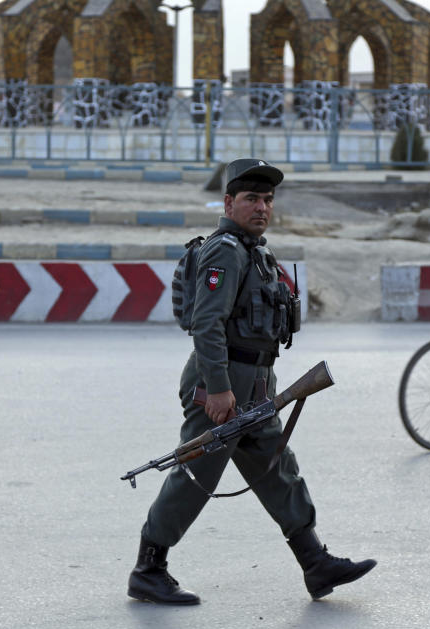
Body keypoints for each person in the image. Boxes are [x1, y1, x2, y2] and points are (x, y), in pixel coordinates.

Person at [127, 158, 376, 605]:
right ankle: (148, 569)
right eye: (251, 199)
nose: (262, 207)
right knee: (195, 472)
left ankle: (315, 564)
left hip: (256, 379)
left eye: (267, 199)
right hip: (221, 378)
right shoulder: (225, 249)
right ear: (229, 202)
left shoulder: (255, 249)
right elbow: (207, 324)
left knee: (277, 467)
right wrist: (220, 388)